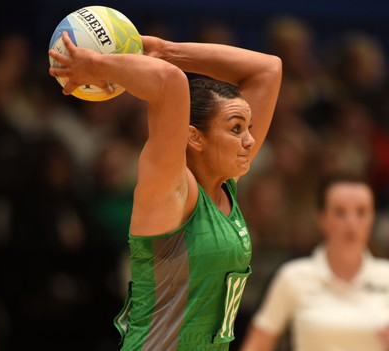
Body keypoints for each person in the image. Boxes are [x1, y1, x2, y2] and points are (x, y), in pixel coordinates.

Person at [48, 29, 282, 350]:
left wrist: (166, 49)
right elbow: (170, 83)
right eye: (236, 128)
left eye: (248, 127)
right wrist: (98, 64)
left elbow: (268, 69)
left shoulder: (223, 186)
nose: (250, 141)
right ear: (195, 138)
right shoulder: (172, 191)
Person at [239, 172, 389, 351]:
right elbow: (255, 345)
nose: (351, 223)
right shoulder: (293, 276)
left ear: (373, 217)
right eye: (340, 212)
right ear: (322, 218)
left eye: (361, 212)